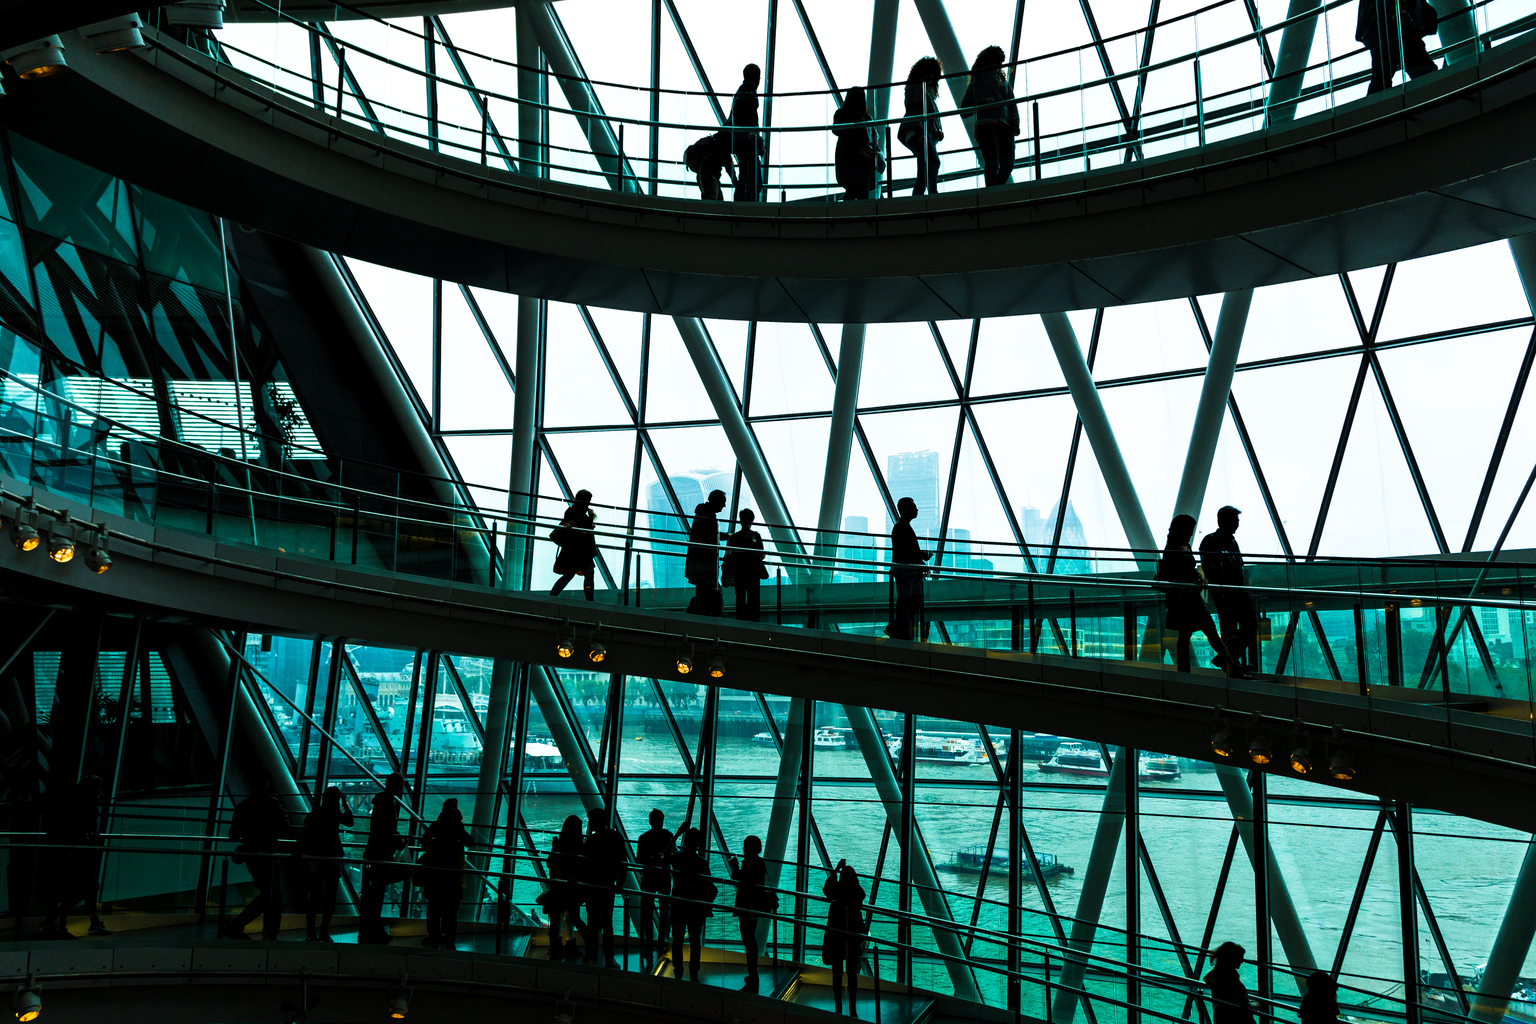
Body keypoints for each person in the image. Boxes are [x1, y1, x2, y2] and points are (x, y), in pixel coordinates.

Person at [1155, 515, 1246, 678]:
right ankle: (1230, 666)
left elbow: (1188, 570)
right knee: (1202, 633)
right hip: (1184, 599)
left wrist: (1197, 577)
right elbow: (1174, 574)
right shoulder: (1173, 550)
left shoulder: (1180, 546)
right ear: (1182, 530)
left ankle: (1188, 671)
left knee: (1194, 634)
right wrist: (1193, 579)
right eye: (1189, 530)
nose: (1191, 533)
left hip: (1189, 598)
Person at [36, 775, 108, 939]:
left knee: (92, 886)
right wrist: (92, 835)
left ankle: (94, 922)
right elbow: (82, 833)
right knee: (84, 889)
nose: (100, 793)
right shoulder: (84, 808)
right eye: (98, 789)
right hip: (80, 855)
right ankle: (49, 921)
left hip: (81, 854)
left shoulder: (80, 806)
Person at [223, 772, 289, 940]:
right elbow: (285, 825)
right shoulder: (272, 804)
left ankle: (238, 925)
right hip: (269, 854)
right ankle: (267, 934)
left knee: (268, 894)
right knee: (273, 895)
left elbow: (233, 835)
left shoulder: (243, 806)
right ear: (266, 784)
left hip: (252, 856)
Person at [1199, 506, 1258, 673]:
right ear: (1222, 520)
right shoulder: (1211, 541)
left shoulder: (1231, 541)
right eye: (1235, 520)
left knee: (1249, 626)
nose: (1237, 524)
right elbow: (1210, 569)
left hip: (1237, 589)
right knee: (1230, 630)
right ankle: (1231, 664)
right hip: (1226, 592)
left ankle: (1227, 661)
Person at [299, 785, 354, 942]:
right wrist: (345, 803)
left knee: (314, 898)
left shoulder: (314, 815)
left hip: (317, 860)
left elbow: (303, 836)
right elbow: (350, 822)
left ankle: (311, 932)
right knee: (330, 898)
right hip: (332, 860)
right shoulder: (335, 815)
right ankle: (324, 931)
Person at [959, 46, 1019, 187]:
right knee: (995, 161)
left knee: (1006, 163)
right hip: (988, 125)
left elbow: (1012, 105)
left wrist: (1015, 124)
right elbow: (964, 110)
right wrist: (983, 102)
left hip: (1003, 126)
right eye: (996, 61)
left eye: (999, 62)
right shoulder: (980, 84)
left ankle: (993, 191)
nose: (998, 65)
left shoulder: (1001, 83)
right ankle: (993, 192)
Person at [358, 772, 408, 944]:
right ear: (395, 786)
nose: (403, 789)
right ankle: (374, 929)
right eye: (401, 785)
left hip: (375, 852)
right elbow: (387, 831)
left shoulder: (382, 802)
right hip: (382, 854)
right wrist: (398, 841)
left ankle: (370, 928)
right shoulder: (388, 804)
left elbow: (381, 830)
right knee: (377, 893)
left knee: (375, 893)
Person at [418, 799, 470, 950]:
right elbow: (469, 841)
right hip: (453, 875)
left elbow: (424, 842)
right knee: (451, 911)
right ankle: (450, 941)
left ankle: (433, 937)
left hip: (435, 875)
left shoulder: (437, 824)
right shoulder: (457, 826)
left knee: (433, 907)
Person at [1358, 0, 1438, 95]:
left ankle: (1377, 107)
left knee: (1381, 80)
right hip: (1394, 32)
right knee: (1426, 74)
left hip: (1388, 33)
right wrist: (1396, 11)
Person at [821, 861, 868, 1015]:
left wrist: (836, 869)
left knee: (837, 973)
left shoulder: (836, 891)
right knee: (852, 974)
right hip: (853, 937)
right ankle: (853, 1008)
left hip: (836, 936)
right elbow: (861, 893)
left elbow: (826, 888)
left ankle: (838, 1006)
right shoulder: (857, 893)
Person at [582, 806, 627, 967]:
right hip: (608, 886)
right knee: (607, 923)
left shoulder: (592, 840)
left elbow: (585, 863)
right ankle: (609, 957)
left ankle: (591, 956)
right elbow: (623, 862)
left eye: (590, 821)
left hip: (592, 886)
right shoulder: (616, 837)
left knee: (592, 923)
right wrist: (619, 883)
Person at [670, 825, 714, 982]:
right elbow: (709, 883)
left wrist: (677, 834)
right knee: (695, 940)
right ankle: (694, 970)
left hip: (678, 904)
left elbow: (666, 854)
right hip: (696, 907)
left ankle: (678, 969)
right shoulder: (701, 862)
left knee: (677, 939)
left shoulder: (678, 858)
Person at [545, 815, 592, 960]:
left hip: (557, 886)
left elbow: (550, 864)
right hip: (572, 888)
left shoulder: (559, 844)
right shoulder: (579, 846)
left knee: (556, 919)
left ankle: (555, 949)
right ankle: (587, 945)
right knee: (574, 917)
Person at [727, 835, 769, 992]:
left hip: (746, 905)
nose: (743, 848)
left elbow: (741, 879)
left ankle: (753, 975)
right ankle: (753, 974)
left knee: (748, 940)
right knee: (751, 939)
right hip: (755, 905)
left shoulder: (748, 862)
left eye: (745, 845)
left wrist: (735, 867)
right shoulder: (759, 862)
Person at [886, 496, 931, 641]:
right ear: (905, 509)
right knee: (907, 601)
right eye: (913, 506)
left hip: (908, 571)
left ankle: (896, 628)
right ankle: (899, 630)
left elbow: (905, 550)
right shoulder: (901, 527)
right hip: (906, 572)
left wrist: (920, 559)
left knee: (911, 601)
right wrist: (921, 555)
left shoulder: (902, 526)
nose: (916, 509)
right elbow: (904, 551)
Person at [899, 56, 944, 196]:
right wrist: (920, 133)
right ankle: (932, 194)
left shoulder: (922, 89)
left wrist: (935, 131)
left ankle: (918, 199)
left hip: (922, 132)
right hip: (918, 132)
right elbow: (914, 112)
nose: (930, 77)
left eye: (933, 74)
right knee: (933, 162)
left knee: (924, 170)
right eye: (929, 73)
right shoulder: (917, 88)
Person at [636, 808, 675, 963]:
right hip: (664, 877)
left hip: (649, 877)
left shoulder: (643, 838)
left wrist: (651, 859)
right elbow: (671, 855)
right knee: (664, 911)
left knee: (647, 912)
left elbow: (639, 859)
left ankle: (649, 944)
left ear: (649, 821)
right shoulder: (668, 836)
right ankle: (661, 943)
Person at [832, 86, 883, 201]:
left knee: (852, 190)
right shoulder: (866, 117)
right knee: (862, 190)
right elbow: (871, 139)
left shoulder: (841, 114)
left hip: (846, 159)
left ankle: (849, 216)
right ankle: (861, 216)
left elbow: (836, 130)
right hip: (862, 161)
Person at [685, 489, 728, 616]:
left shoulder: (703, 514)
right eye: (723, 502)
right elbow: (709, 540)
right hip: (705, 568)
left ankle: (699, 617)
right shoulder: (707, 516)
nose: (724, 505)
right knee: (710, 595)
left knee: (704, 595)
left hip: (701, 567)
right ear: (716, 501)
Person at [550, 489, 597, 601]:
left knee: (569, 576)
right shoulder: (577, 512)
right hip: (580, 550)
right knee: (587, 575)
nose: (588, 503)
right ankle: (590, 601)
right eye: (587, 500)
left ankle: (552, 597)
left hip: (575, 550)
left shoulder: (574, 511)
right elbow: (583, 529)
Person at [723, 508, 768, 622]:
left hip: (740, 571)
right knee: (753, 598)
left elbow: (728, 554)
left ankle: (741, 620)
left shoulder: (735, 537)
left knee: (740, 597)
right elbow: (762, 553)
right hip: (753, 571)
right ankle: (753, 621)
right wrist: (755, 555)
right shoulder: (756, 536)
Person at [730, 64, 762, 202]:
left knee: (747, 177)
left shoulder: (740, 91)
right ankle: (745, 206)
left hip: (740, 140)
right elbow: (751, 115)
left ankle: (743, 205)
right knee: (752, 179)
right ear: (755, 76)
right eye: (758, 75)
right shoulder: (750, 89)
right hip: (747, 141)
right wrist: (757, 138)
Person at [1204, 941, 1255, 1024]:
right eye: (1240, 958)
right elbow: (1231, 1002)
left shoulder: (1223, 976)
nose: (1242, 961)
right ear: (1231, 958)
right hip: (1234, 1018)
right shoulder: (1225, 978)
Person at [684, 131, 731, 200]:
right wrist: (735, 181)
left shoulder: (714, 142)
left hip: (708, 174)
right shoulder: (723, 145)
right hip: (710, 174)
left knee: (711, 200)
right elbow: (729, 164)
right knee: (714, 201)